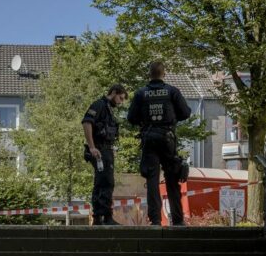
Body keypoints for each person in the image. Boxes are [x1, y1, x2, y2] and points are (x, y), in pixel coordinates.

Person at [127, 61, 191, 226]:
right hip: (167, 139)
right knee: (172, 179)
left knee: (152, 181)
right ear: (164, 74)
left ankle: (155, 219)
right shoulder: (172, 92)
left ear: (149, 74)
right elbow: (186, 113)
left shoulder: (141, 94)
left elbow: (131, 118)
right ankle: (177, 220)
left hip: (149, 140)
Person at [82, 84, 128, 226]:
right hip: (100, 150)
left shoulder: (107, 109)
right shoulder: (100, 105)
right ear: (114, 92)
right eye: (120, 98)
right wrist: (92, 147)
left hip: (105, 149)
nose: (120, 102)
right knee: (107, 183)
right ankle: (106, 217)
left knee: (100, 183)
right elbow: (86, 122)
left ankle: (98, 218)